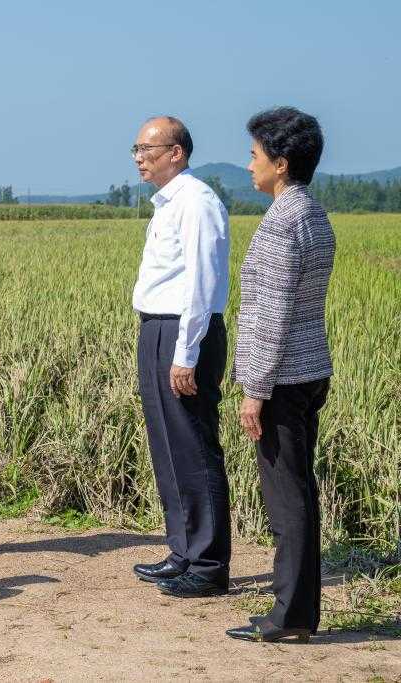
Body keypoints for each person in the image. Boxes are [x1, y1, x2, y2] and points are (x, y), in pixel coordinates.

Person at [226, 107, 335, 643]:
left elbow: (271, 315)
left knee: (287, 498)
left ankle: (289, 615)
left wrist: (256, 391)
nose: (250, 165)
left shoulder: (280, 224)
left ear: (282, 163)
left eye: (255, 155)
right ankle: (297, 609)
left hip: (283, 378)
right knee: (300, 492)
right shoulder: (314, 215)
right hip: (310, 369)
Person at [130, 116, 233, 598]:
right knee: (168, 445)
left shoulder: (196, 201)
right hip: (158, 328)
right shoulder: (168, 203)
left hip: (184, 332)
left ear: (177, 153)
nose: (139, 157)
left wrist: (186, 352)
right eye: (136, 149)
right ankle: (182, 550)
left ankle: (209, 565)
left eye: (147, 149)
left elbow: (201, 282)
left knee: (193, 445)